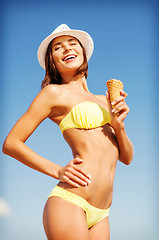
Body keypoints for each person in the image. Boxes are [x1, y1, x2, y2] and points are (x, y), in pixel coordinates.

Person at [2, 24, 134, 240]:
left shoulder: (105, 100)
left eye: (73, 44)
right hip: (71, 201)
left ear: (83, 53)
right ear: (52, 61)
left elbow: (127, 158)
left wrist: (119, 125)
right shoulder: (53, 93)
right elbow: (11, 143)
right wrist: (57, 171)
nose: (67, 49)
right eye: (58, 48)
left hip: (102, 213)